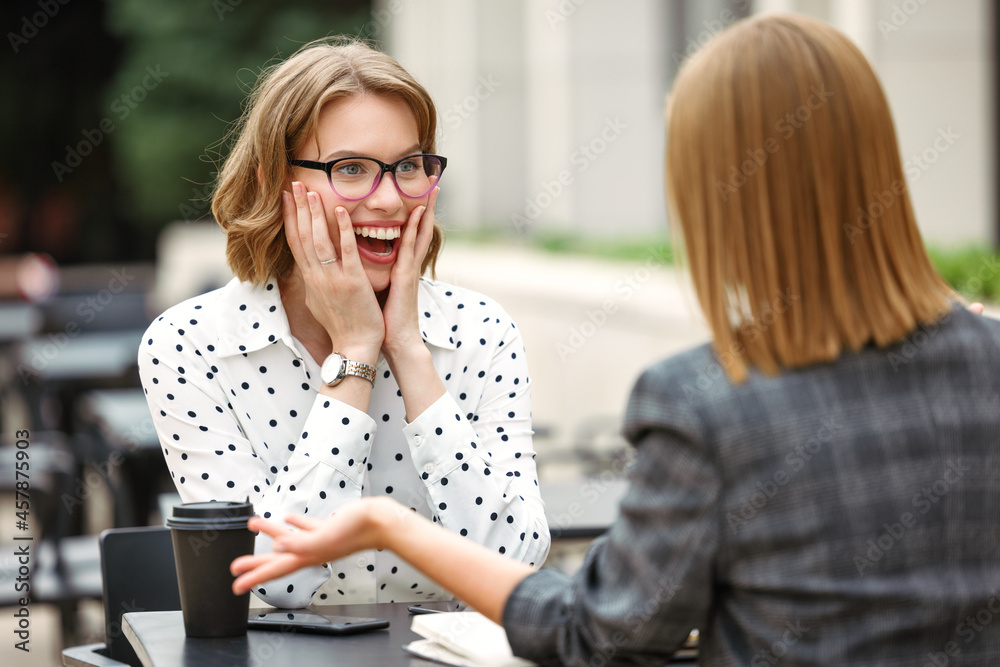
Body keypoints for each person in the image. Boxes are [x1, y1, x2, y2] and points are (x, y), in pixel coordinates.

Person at [230, 14, 1000, 665]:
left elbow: (600, 633)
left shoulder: (705, 402)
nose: (389, 196)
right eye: (354, 168)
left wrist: (390, 523)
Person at [138, 38, 550, 608]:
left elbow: (516, 565)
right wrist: (355, 355)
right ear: (272, 183)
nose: (388, 200)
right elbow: (276, 581)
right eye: (351, 169)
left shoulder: (480, 329)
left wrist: (407, 350)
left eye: (408, 166)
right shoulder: (192, 346)